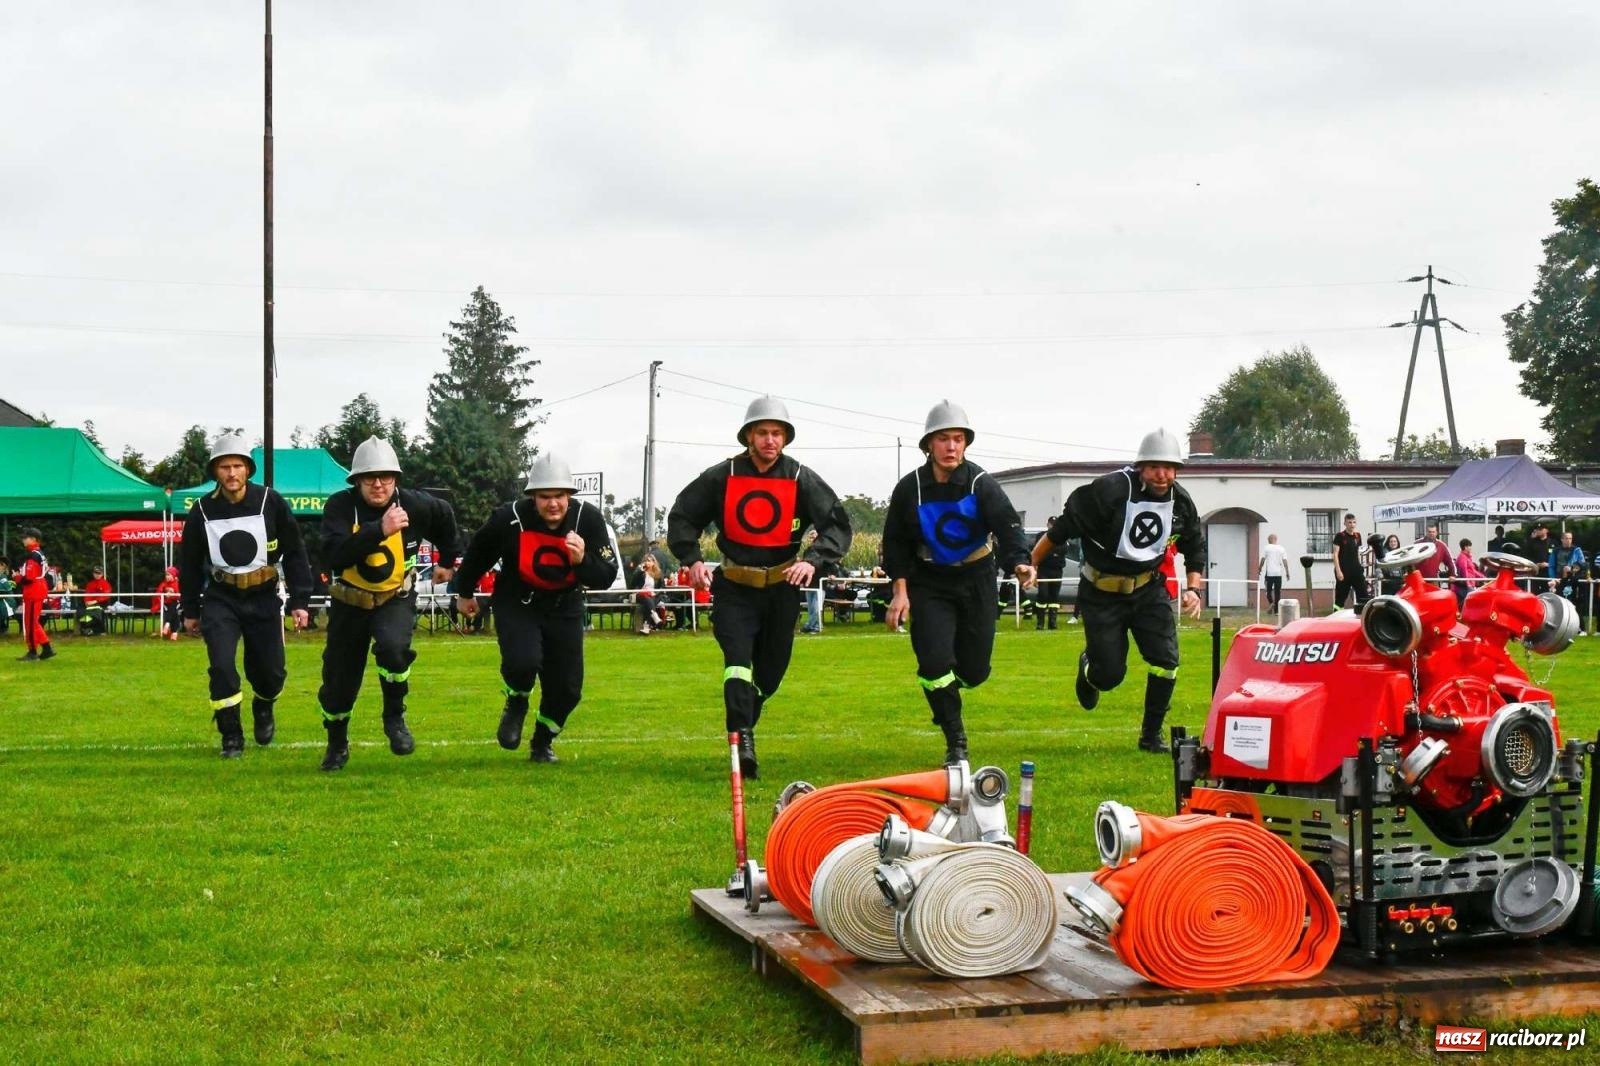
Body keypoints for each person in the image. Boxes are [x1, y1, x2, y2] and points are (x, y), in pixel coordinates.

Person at [667, 395, 852, 779]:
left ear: (785, 438)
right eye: (763, 432)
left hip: (781, 589)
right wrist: (693, 559)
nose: (770, 440)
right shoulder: (723, 475)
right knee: (737, 662)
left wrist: (812, 561)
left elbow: (836, 524)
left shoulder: (800, 477)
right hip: (734, 587)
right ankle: (743, 737)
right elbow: (683, 516)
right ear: (749, 436)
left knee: (770, 673)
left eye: (777, 433)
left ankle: (746, 717)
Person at [1030, 427, 1205, 754]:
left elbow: (1195, 546)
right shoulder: (1109, 492)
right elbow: (1062, 530)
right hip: (1101, 592)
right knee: (1109, 675)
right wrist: (1033, 563)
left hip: (1148, 589)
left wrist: (1193, 588)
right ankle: (1089, 669)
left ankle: (1151, 736)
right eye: (1154, 467)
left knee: (1166, 661)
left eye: (1168, 468)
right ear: (1141, 466)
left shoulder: (1180, 502)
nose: (1162, 474)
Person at [882, 401, 1034, 765]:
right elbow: (895, 544)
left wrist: (1020, 563)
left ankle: (948, 693)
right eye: (943, 439)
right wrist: (900, 592)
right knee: (934, 662)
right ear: (929, 445)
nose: (951, 447)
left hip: (977, 578)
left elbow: (1007, 526)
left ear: (966, 444)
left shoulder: (982, 484)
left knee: (974, 671)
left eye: (958, 439)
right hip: (929, 582)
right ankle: (955, 737)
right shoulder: (909, 488)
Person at [451, 454, 619, 762]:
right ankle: (517, 700)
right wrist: (463, 592)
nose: (552, 504)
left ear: (569, 495)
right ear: (532, 497)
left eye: (559, 496)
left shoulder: (589, 520)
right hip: (518, 601)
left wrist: (582, 560)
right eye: (544, 497)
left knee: (568, 690)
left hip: (565, 606)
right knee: (522, 662)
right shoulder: (508, 517)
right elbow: (479, 553)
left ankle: (542, 740)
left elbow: (607, 575)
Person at [315, 436, 461, 772]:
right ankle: (337, 742)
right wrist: (379, 529)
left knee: (394, 650)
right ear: (356, 481)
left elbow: (446, 516)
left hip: (395, 597)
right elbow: (335, 556)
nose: (378, 484)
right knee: (338, 682)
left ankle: (394, 717)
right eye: (369, 478)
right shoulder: (339, 507)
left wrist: (449, 559)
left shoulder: (415, 504)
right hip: (349, 602)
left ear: (396, 478)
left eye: (386, 477)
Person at [178, 434, 312, 756]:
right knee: (222, 666)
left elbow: (295, 551)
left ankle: (264, 706)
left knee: (271, 673)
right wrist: (190, 608)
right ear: (216, 471)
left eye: (238, 466)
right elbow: (190, 562)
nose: (232, 473)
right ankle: (231, 736)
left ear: (248, 470)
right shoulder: (201, 510)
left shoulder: (271, 502)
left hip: (264, 597)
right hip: (221, 599)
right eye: (225, 467)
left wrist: (300, 600)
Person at [14, 528, 57, 662]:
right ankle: (46, 648)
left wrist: (17, 578)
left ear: (33, 539)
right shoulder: (39, 553)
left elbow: (29, 578)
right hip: (38, 589)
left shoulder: (33, 555)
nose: (23, 540)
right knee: (33, 622)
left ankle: (33, 651)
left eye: (26, 537)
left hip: (33, 590)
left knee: (31, 623)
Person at [1331, 514, 1370, 610]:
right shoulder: (1340, 536)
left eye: (1353, 522)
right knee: (1340, 597)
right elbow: (1335, 554)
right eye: (1349, 522)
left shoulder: (1357, 536)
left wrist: (1360, 566)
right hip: (1343, 571)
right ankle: (1336, 616)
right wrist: (1338, 571)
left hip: (1356, 571)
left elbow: (1358, 552)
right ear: (1345, 523)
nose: (1352, 525)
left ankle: (1362, 616)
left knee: (1364, 595)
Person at [1033, 531, 1069, 630]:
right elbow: (1037, 551)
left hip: (1057, 570)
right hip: (1044, 570)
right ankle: (1040, 623)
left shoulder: (1063, 536)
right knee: (1043, 595)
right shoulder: (1042, 536)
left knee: (1054, 597)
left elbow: (1064, 550)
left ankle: (1052, 622)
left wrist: (1052, 551)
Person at [1258, 533, 1289, 610]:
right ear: (1276, 539)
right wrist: (1287, 572)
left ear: (1270, 539)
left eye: (1268, 539)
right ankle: (1276, 611)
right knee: (1277, 592)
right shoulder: (1281, 548)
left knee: (1268, 590)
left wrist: (1259, 568)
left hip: (1269, 574)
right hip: (1278, 574)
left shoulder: (1267, 548)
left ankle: (1271, 603)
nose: (1268, 541)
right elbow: (1285, 561)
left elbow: (1263, 559)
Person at [633, 553, 662, 635]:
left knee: (648, 602)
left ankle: (646, 627)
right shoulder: (640, 572)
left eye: (649, 561)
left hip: (653, 595)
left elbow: (662, 587)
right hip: (640, 595)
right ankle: (654, 617)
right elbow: (632, 584)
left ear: (653, 562)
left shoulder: (658, 573)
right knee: (647, 598)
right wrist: (639, 571)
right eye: (645, 561)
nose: (647, 562)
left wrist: (655, 593)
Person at [79, 565, 113, 636]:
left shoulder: (105, 584)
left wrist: (95, 601)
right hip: (90, 604)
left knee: (97, 611)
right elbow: (87, 594)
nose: (97, 575)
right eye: (95, 573)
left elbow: (106, 596)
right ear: (93, 573)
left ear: (102, 574)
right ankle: (86, 628)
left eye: (99, 573)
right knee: (80, 609)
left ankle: (99, 630)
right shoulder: (90, 584)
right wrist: (86, 602)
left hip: (101, 604)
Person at [151, 565, 182, 640]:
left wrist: (172, 596)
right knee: (173, 612)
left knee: (173, 609)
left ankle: (168, 625)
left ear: (173, 575)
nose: (167, 577)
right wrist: (164, 595)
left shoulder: (177, 584)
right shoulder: (163, 584)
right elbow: (158, 593)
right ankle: (174, 632)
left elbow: (179, 595)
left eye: (169, 575)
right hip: (166, 604)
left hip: (175, 603)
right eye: (166, 575)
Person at [1454, 539, 1484, 609]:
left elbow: (1473, 571)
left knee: (1467, 604)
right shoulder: (1462, 557)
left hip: (1469, 584)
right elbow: (1464, 571)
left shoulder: (1467, 558)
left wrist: (1483, 577)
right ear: (1465, 547)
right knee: (1474, 601)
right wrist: (1468, 584)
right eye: (1470, 546)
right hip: (1464, 586)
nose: (1471, 548)